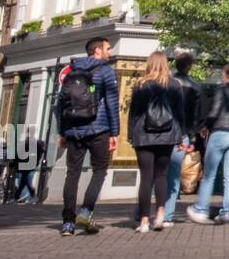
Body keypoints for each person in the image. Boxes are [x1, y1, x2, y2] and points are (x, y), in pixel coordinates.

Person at [56, 36, 121, 235]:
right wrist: (115, 133)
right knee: (100, 170)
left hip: (74, 130)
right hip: (98, 129)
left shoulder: (71, 72)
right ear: (97, 51)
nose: (110, 52)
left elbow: (60, 104)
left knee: (72, 173)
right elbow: (111, 103)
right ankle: (86, 211)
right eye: (108, 48)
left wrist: (62, 131)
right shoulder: (105, 71)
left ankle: (68, 222)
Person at [186, 63, 229, 225]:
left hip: (220, 133)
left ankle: (201, 209)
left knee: (209, 174)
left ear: (227, 76)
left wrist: (204, 127)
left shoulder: (221, 91)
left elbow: (214, 112)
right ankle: (226, 212)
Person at [128, 50, 186, 233]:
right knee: (161, 175)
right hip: (167, 135)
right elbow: (179, 113)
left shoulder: (141, 85)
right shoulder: (175, 85)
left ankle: (144, 221)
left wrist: (131, 134)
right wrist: (180, 135)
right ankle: (160, 213)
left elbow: (134, 113)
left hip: (144, 135)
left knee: (146, 178)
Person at [162, 52, 202, 225]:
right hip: (182, 134)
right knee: (174, 175)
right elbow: (195, 116)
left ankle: (145, 212)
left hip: (162, 132)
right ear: (190, 66)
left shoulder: (165, 83)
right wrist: (192, 138)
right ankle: (167, 215)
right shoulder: (195, 87)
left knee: (157, 173)